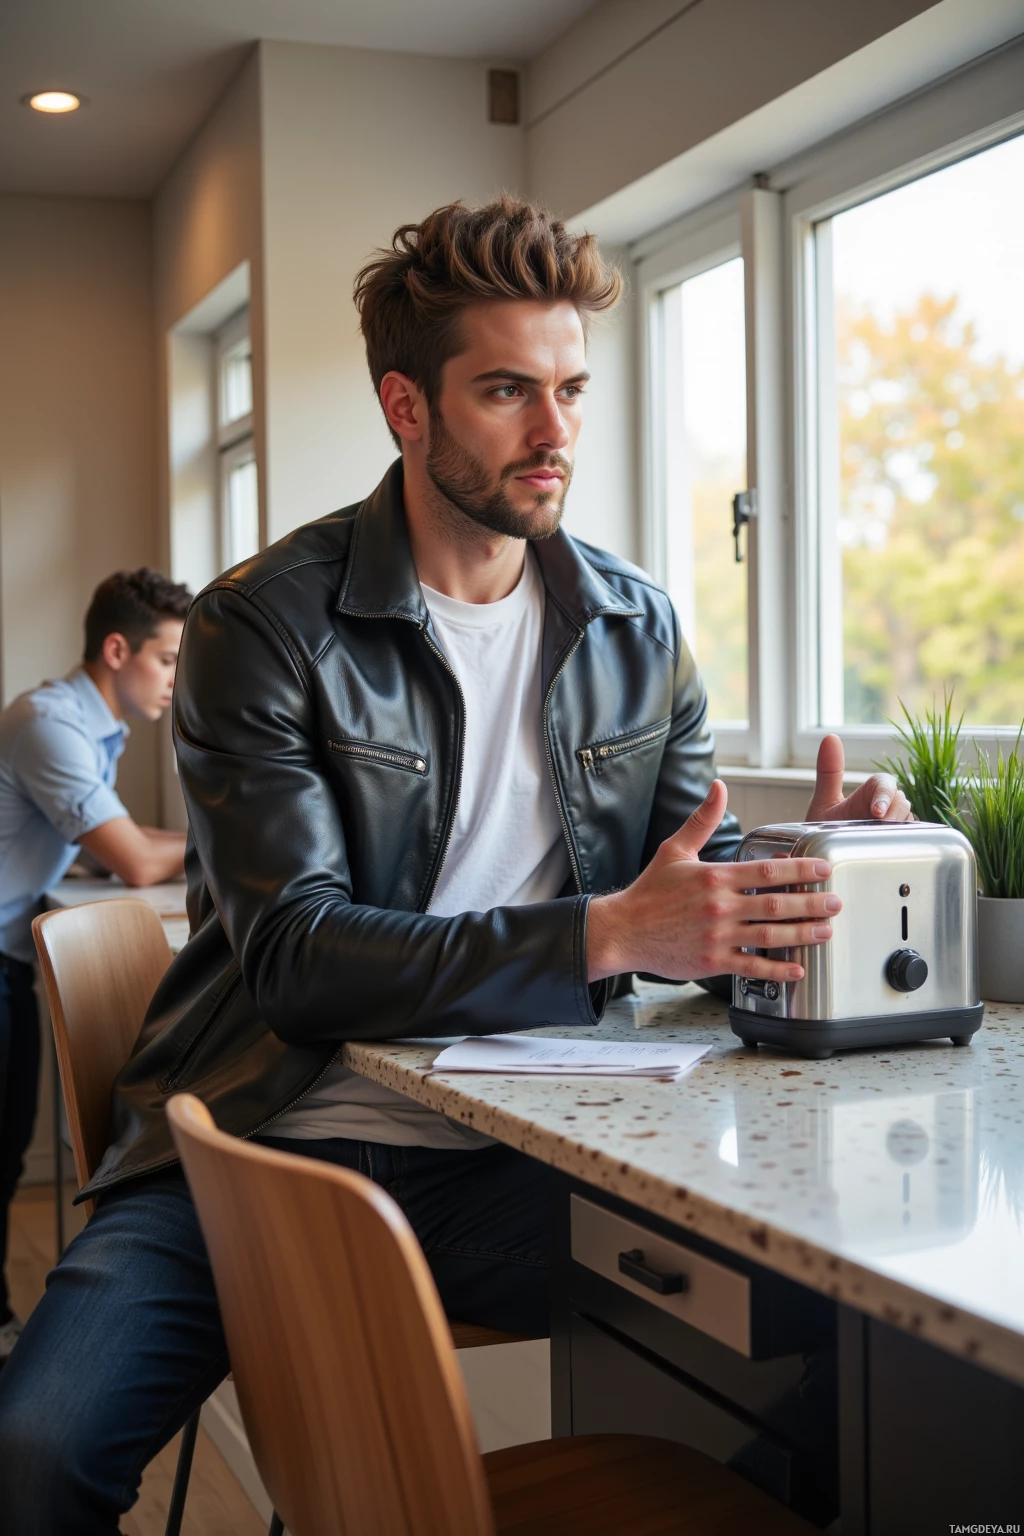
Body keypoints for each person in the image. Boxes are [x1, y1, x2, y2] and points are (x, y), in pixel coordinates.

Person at [0, 197, 910, 1532]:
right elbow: (299, 963)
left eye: (570, 390)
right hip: (258, 1149)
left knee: (858, 1326)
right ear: (406, 407)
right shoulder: (266, 624)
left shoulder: (637, 628)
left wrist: (816, 864)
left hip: (515, 1170)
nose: (555, 434)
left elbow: (686, 888)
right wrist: (606, 935)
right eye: (506, 392)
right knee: (33, 1452)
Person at [0, 567, 191, 1364]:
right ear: (117, 650)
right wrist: (234, 839)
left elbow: (125, 847)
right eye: (168, 659)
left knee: (9, 1146)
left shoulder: (93, 727)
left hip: (8, 953)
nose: (178, 679)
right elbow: (136, 861)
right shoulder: (50, 724)